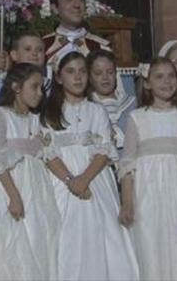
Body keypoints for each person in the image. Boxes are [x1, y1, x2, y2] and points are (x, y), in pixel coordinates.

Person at [42, 52, 139, 280]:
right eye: (71, 71)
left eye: (83, 71)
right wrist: (70, 181)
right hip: (61, 183)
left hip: (95, 181)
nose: (78, 77)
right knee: (67, 239)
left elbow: (104, 150)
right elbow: (48, 153)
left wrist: (84, 179)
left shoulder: (96, 110)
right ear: (58, 78)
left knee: (101, 235)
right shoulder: (49, 113)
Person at [118, 57, 177, 280]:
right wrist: (128, 202)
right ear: (148, 83)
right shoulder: (138, 118)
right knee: (150, 245)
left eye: (171, 76)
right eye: (159, 76)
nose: (167, 81)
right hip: (147, 194)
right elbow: (127, 164)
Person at [0, 63, 61, 280]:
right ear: (17, 87)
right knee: (13, 246)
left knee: (39, 240)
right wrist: (14, 196)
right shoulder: (0, 115)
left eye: (41, 89)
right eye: (35, 87)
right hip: (12, 186)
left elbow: (47, 155)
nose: (39, 93)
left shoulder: (35, 120)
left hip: (37, 188)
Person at [43, 0, 110, 70]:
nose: (77, 5)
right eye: (68, 0)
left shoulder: (100, 47)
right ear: (55, 8)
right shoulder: (43, 47)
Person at [88, 49, 135, 150]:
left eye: (110, 72)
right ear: (90, 77)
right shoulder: (87, 107)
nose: (105, 77)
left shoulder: (133, 104)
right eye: (98, 73)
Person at [0, 31, 47, 107]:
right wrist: (0, 74)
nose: (34, 53)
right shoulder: (3, 80)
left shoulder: (49, 80)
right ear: (14, 55)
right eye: (28, 49)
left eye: (39, 50)